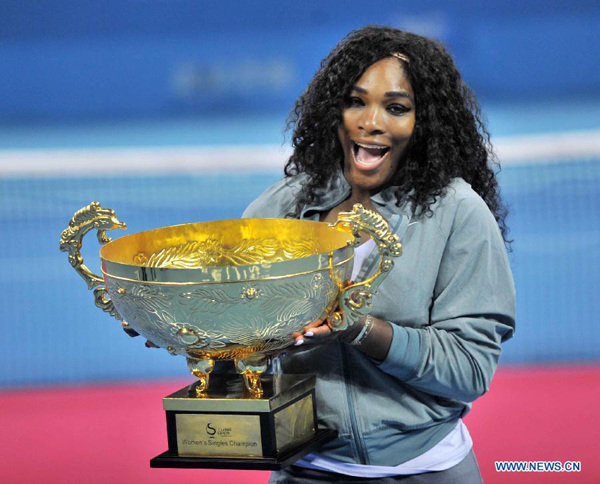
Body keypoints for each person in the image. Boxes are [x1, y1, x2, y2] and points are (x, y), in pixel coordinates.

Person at [243, 26, 515, 483]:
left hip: (427, 471)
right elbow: (242, 329)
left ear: (424, 123)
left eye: (396, 108)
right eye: (355, 101)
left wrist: (360, 331)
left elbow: (469, 369)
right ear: (335, 111)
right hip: (304, 471)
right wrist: (180, 319)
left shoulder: (458, 213)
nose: (371, 121)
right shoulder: (279, 209)